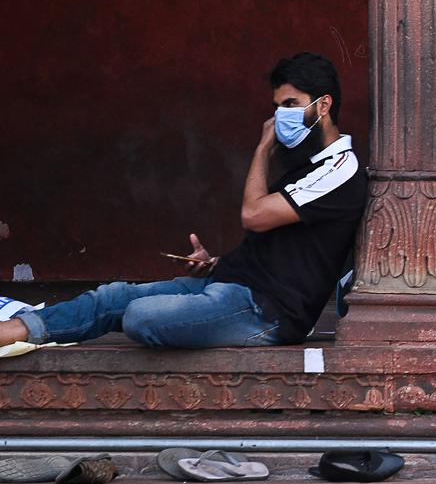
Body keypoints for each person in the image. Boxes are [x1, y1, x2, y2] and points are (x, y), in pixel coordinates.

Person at [0, 52, 367, 350]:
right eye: (276, 106)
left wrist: (262, 148)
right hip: (229, 285)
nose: (279, 117)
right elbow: (287, 250)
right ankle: (16, 331)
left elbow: (254, 215)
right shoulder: (310, 165)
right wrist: (213, 264)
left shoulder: (341, 169)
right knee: (113, 297)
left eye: (290, 104)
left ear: (323, 105)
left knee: (141, 316)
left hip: (265, 312)